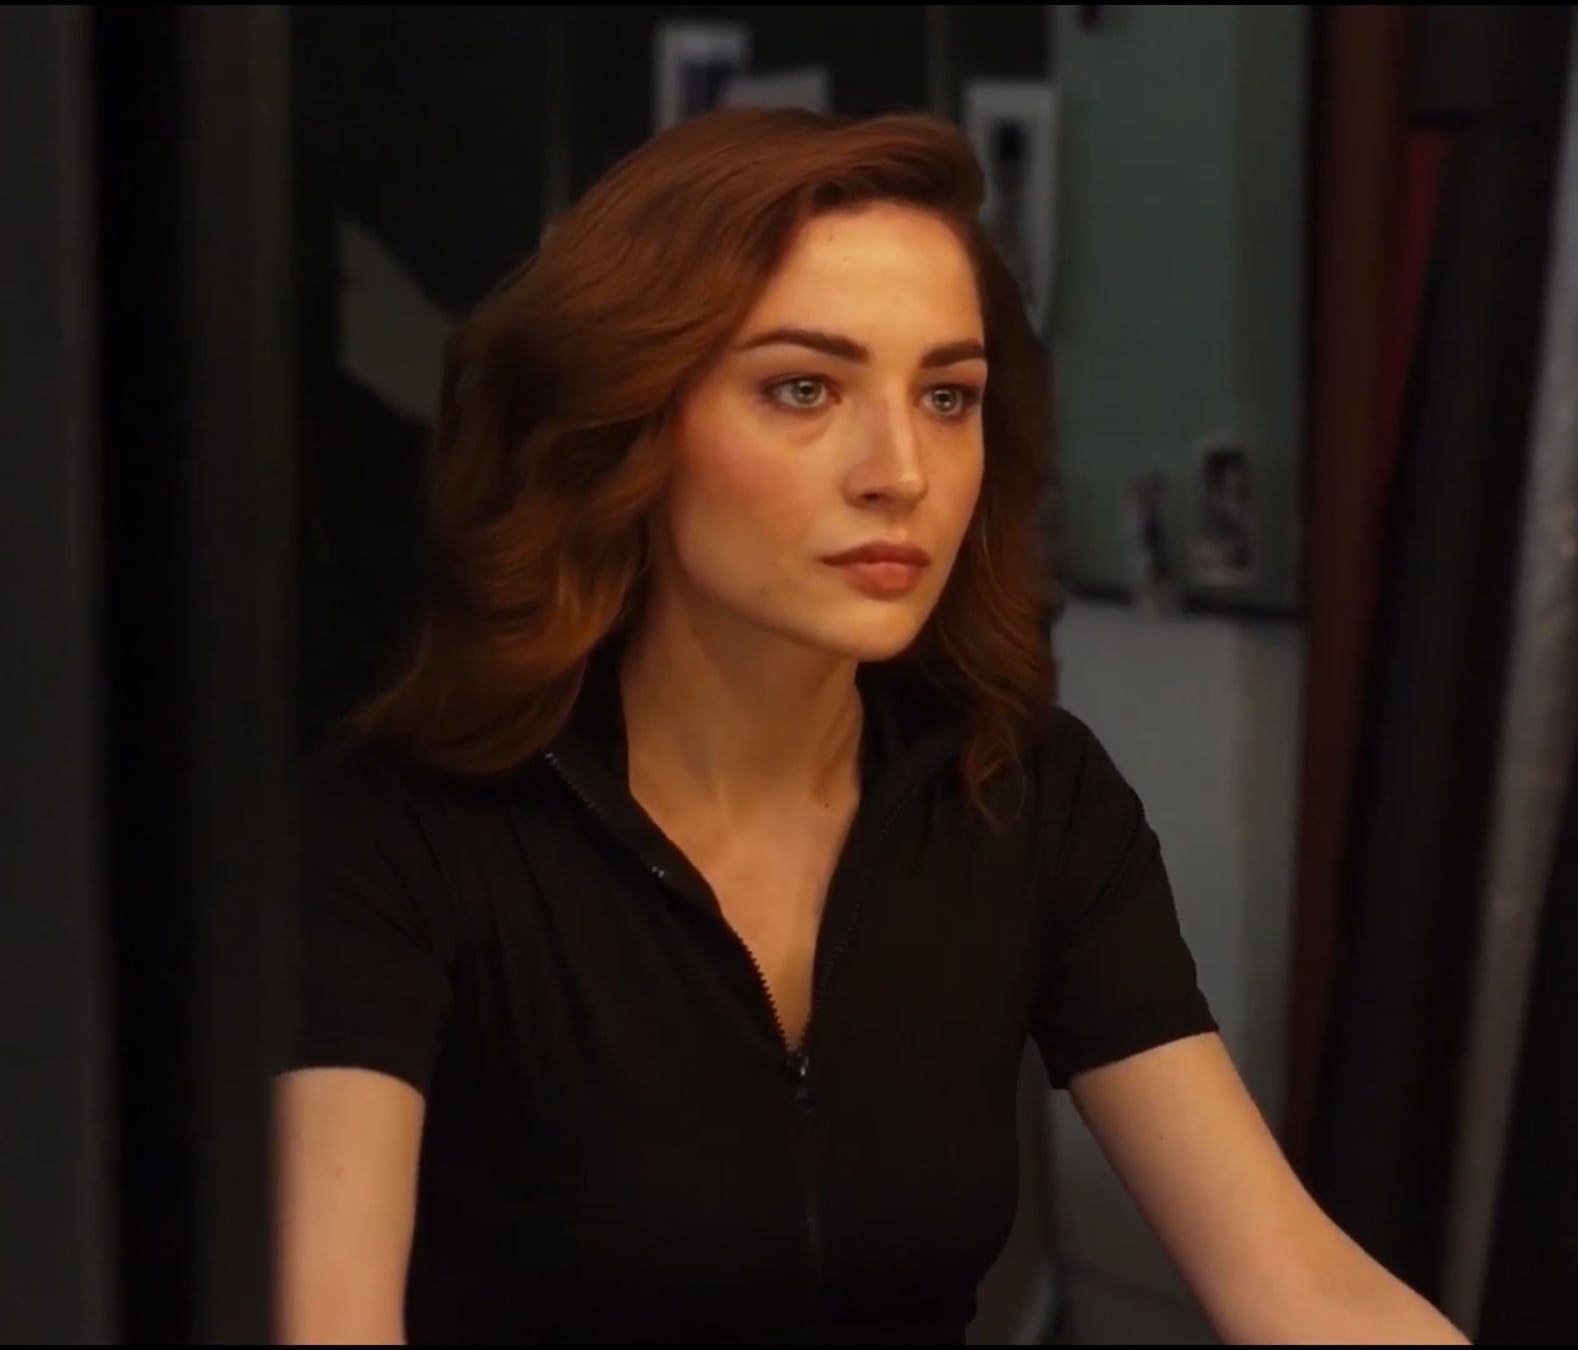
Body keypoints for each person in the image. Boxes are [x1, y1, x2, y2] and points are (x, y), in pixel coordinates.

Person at [273, 108, 1469, 1346]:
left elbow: (1295, 1283)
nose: (901, 469)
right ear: (627, 426)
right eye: (804, 389)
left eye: (948, 396)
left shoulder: (1025, 794)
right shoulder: (402, 827)